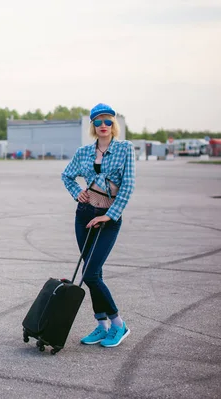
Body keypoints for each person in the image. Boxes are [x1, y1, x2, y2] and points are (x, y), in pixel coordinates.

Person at [61, 103, 136, 348]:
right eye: (98, 121)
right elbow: (66, 175)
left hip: (108, 219)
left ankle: (118, 324)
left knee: (90, 274)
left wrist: (110, 215)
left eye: (107, 121)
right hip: (84, 215)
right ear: (92, 125)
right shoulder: (83, 152)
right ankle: (102, 325)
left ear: (113, 124)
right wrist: (77, 193)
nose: (103, 125)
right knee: (94, 273)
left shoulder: (125, 149)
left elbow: (128, 186)